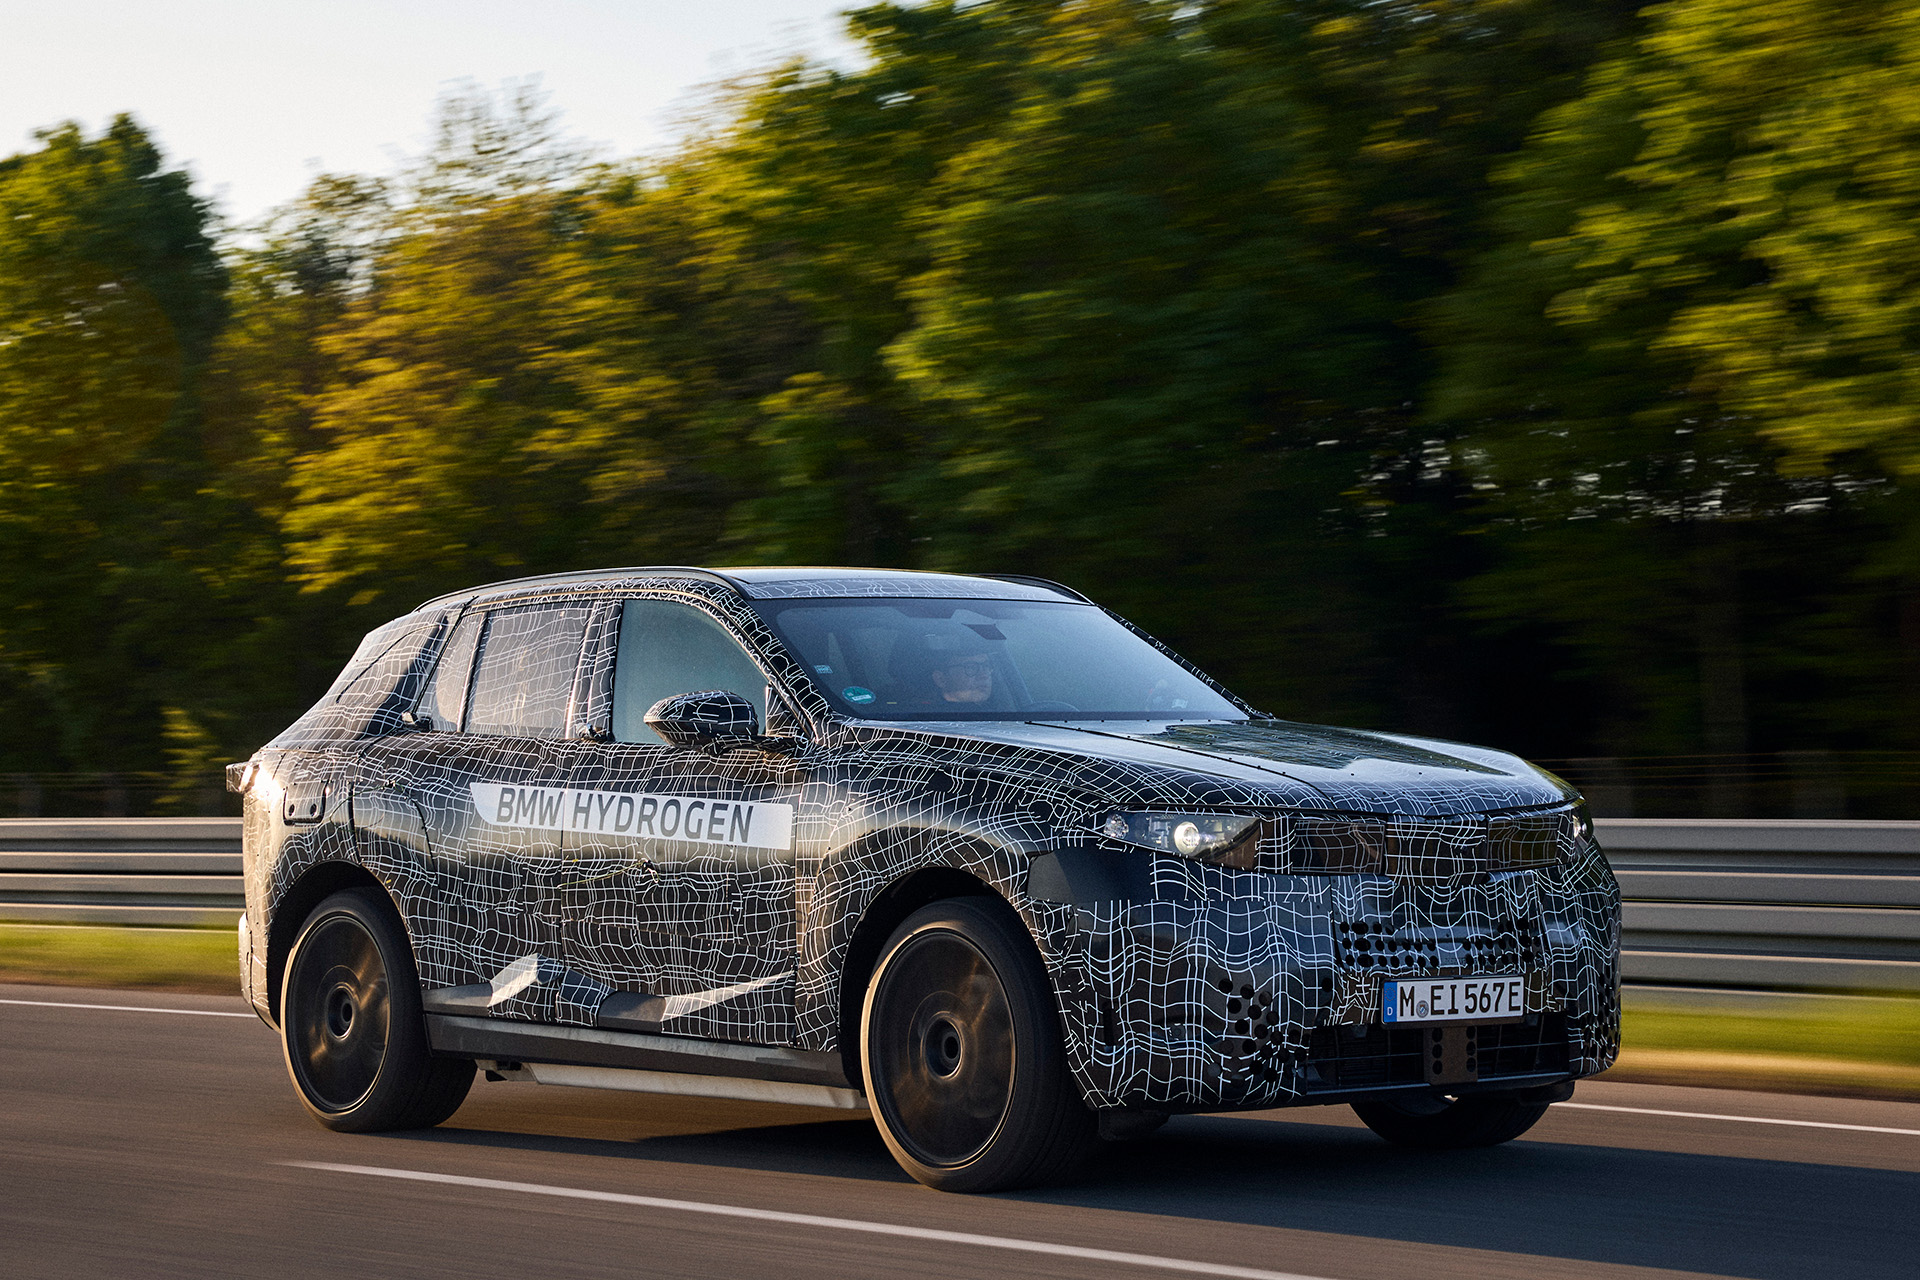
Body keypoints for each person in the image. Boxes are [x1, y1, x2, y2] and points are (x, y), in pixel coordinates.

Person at [929, 650, 994, 704]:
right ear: (941, 679)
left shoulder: (1001, 710)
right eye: (970, 667)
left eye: (986, 666)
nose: (984, 675)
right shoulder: (928, 715)